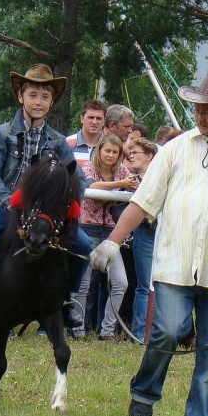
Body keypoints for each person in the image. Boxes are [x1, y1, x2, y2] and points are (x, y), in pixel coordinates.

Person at [89, 73, 208, 416]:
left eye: (207, 110)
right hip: (174, 264)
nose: (199, 116)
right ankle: (143, 396)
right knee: (168, 331)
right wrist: (112, 242)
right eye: (197, 109)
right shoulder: (175, 149)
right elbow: (142, 201)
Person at [0, 64, 89, 326]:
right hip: (5, 207)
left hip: (42, 213)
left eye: (45, 97)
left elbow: (76, 178)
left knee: (84, 245)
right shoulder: (1, 133)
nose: (39, 102)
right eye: (33, 95)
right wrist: (7, 200)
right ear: (20, 97)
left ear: (52, 102)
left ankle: (68, 298)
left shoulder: (57, 142)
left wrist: (68, 201)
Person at [74, 134, 138, 339]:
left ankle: (107, 330)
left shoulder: (122, 171)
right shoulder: (89, 167)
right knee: (83, 283)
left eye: (115, 152)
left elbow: (134, 186)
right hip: (87, 229)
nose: (110, 155)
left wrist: (131, 184)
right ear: (99, 151)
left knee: (121, 282)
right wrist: (121, 184)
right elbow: (91, 186)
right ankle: (77, 328)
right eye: (107, 150)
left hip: (111, 233)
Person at [127, 137, 159, 342]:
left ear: (149, 156)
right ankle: (140, 334)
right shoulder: (129, 180)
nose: (131, 156)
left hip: (164, 232)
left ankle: (156, 333)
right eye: (130, 153)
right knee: (145, 284)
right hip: (145, 232)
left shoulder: (158, 178)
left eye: (135, 152)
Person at [66, 99, 107, 164]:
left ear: (104, 121)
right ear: (82, 119)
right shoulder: (67, 144)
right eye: (91, 117)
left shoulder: (109, 145)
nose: (94, 122)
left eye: (98, 118)